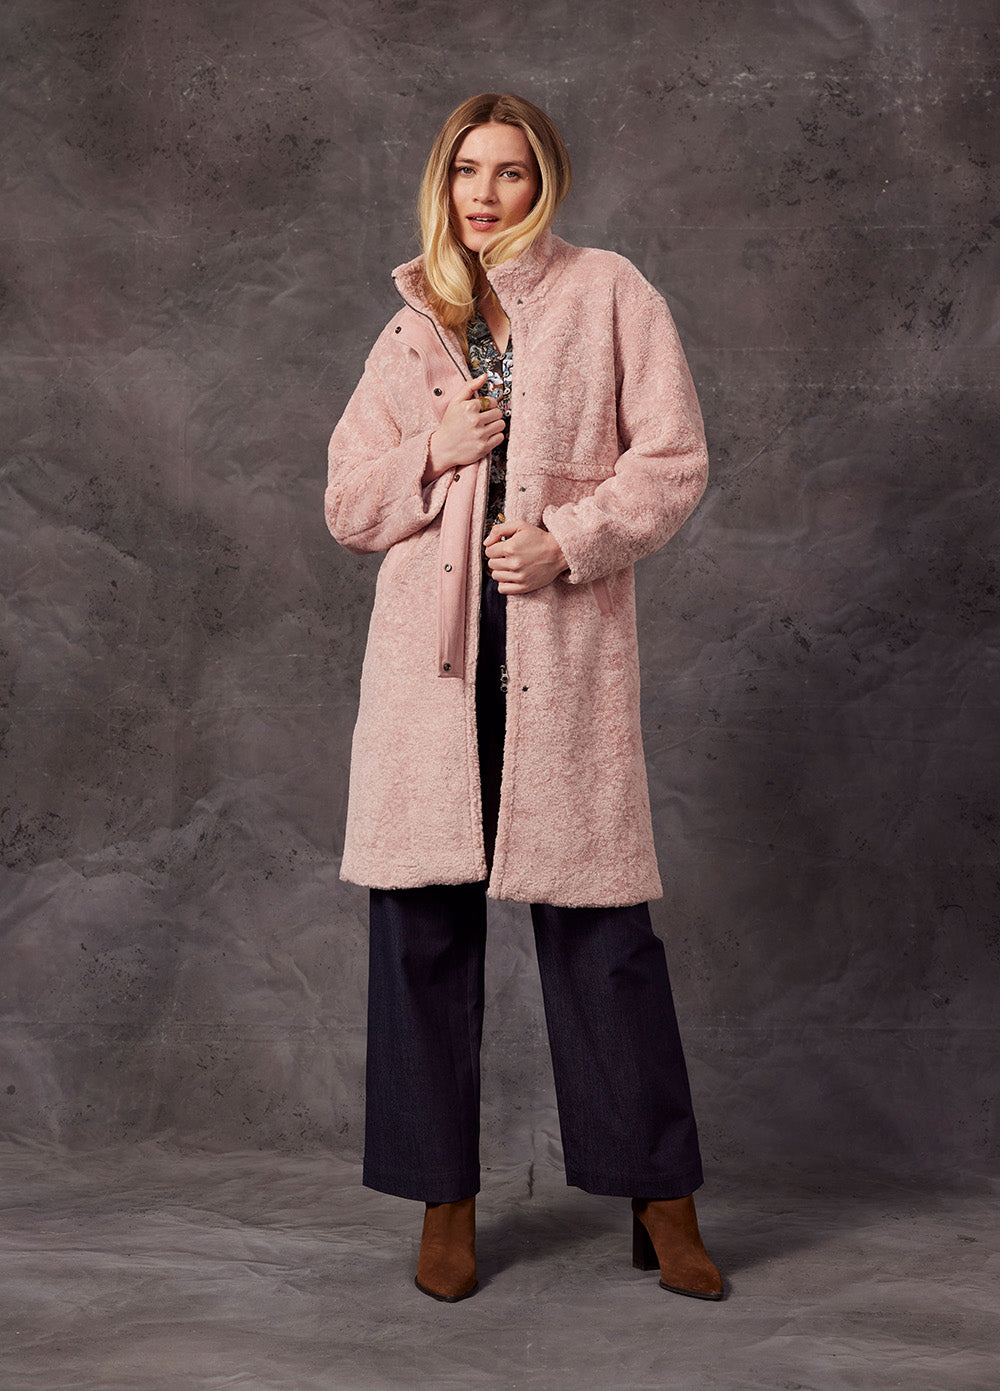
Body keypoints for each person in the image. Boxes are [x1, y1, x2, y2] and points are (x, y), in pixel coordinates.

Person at [325, 92, 722, 1304]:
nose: (485, 194)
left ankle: (662, 1198)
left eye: (508, 171)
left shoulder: (610, 293)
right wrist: (432, 449)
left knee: (602, 929)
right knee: (421, 927)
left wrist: (568, 539)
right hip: (428, 667)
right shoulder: (414, 329)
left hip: (562, 642)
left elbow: (674, 461)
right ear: (441, 187)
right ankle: (443, 1201)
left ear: (543, 181)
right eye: (466, 172)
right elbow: (347, 502)